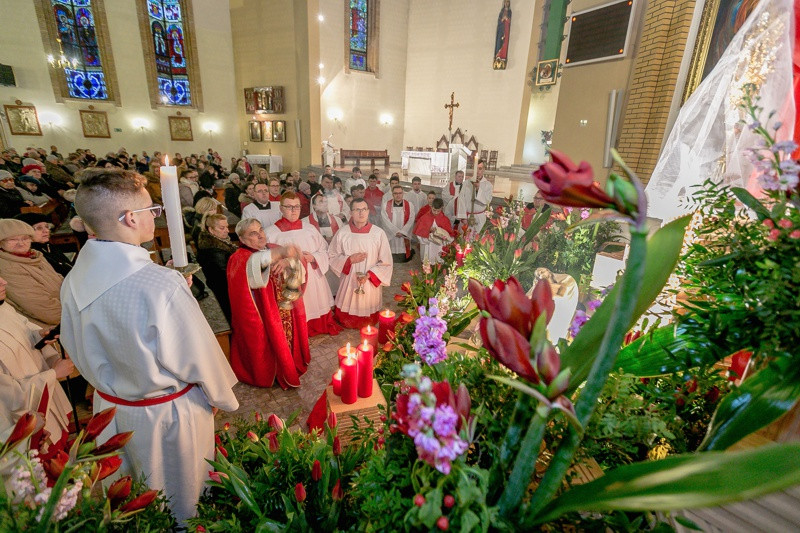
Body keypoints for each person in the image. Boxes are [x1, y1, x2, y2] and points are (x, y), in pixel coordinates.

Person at [59, 168, 239, 525]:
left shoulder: (73, 279)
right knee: (181, 502)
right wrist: (220, 398)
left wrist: (170, 282)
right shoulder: (160, 285)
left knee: (134, 504)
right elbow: (199, 357)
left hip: (111, 412)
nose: (154, 216)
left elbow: (76, 344)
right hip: (168, 416)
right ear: (128, 218)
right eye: (150, 211)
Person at [227, 218, 309, 388]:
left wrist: (288, 261)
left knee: (287, 338)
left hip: (283, 307)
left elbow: (298, 262)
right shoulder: (239, 258)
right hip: (264, 315)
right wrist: (281, 253)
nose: (260, 236)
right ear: (242, 239)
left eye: (261, 230)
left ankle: (289, 363)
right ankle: (278, 370)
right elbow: (256, 264)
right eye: (253, 233)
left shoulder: (271, 247)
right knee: (272, 342)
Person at [0, 275, 74, 450]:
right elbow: (8, 394)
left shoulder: (4, 308)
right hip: (20, 423)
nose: (4, 281)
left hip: (49, 403)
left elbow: (25, 328)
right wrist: (53, 373)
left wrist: (40, 335)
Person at [266, 193, 339, 337]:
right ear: (281, 208)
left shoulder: (310, 229)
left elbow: (324, 249)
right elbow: (269, 261)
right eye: (289, 207)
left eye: (297, 207)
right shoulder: (270, 232)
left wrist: (313, 257)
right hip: (291, 280)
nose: (293, 210)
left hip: (313, 275)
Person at [328, 198, 393, 329]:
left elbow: (386, 262)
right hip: (349, 278)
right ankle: (346, 319)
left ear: (368, 211)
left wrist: (369, 276)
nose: (361, 213)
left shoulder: (378, 233)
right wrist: (349, 260)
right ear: (351, 213)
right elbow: (332, 256)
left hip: (369, 281)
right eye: (357, 210)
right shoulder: (343, 232)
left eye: (364, 209)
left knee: (368, 309)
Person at [0, 219, 63, 326]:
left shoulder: (35, 256)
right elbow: (45, 310)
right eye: (12, 240)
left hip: (67, 310)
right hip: (48, 327)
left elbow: (61, 281)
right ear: (1, 243)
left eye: (25, 238)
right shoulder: (7, 268)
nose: (21, 243)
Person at [196, 214, 237, 322]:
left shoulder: (218, 243)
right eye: (222, 228)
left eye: (227, 227)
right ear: (211, 230)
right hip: (223, 292)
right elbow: (225, 276)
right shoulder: (214, 251)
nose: (227, 230)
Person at [381, 185, 417, 263]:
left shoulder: (409, 205)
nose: (398, 195)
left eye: (400, 193)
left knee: (403, 253)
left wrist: (403, 232)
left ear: (403, 193)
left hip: (403, 235)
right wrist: (395, 231)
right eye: (395, 193)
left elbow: (411, 219)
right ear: (392, 194)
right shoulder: (386, 205)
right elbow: (385, 221)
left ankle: (404, 256)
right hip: (392, 235)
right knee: (391, 254)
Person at [414, 198, 454, 264]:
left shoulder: (445, 219)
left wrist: (440, 232)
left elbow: (449, 234)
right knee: (428, 259)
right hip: (428, 243)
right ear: (431, 207)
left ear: (442, 208)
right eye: (434, 210)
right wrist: (428, 230)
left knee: (438, 259)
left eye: (438, 211)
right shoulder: (424, 218)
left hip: (439, 244)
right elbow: (419, 233)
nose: (436, 212)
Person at [470, 160, 493, 233]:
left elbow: (487, 201)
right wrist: (462, 216)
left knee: (477, 240)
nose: (477, 171)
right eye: (475, 168)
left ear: (484, 169)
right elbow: (461, 200)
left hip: (479, 217)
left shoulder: (488, 185)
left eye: (480, 169)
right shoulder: (467, 183)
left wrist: (478, 189)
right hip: (467, 217)